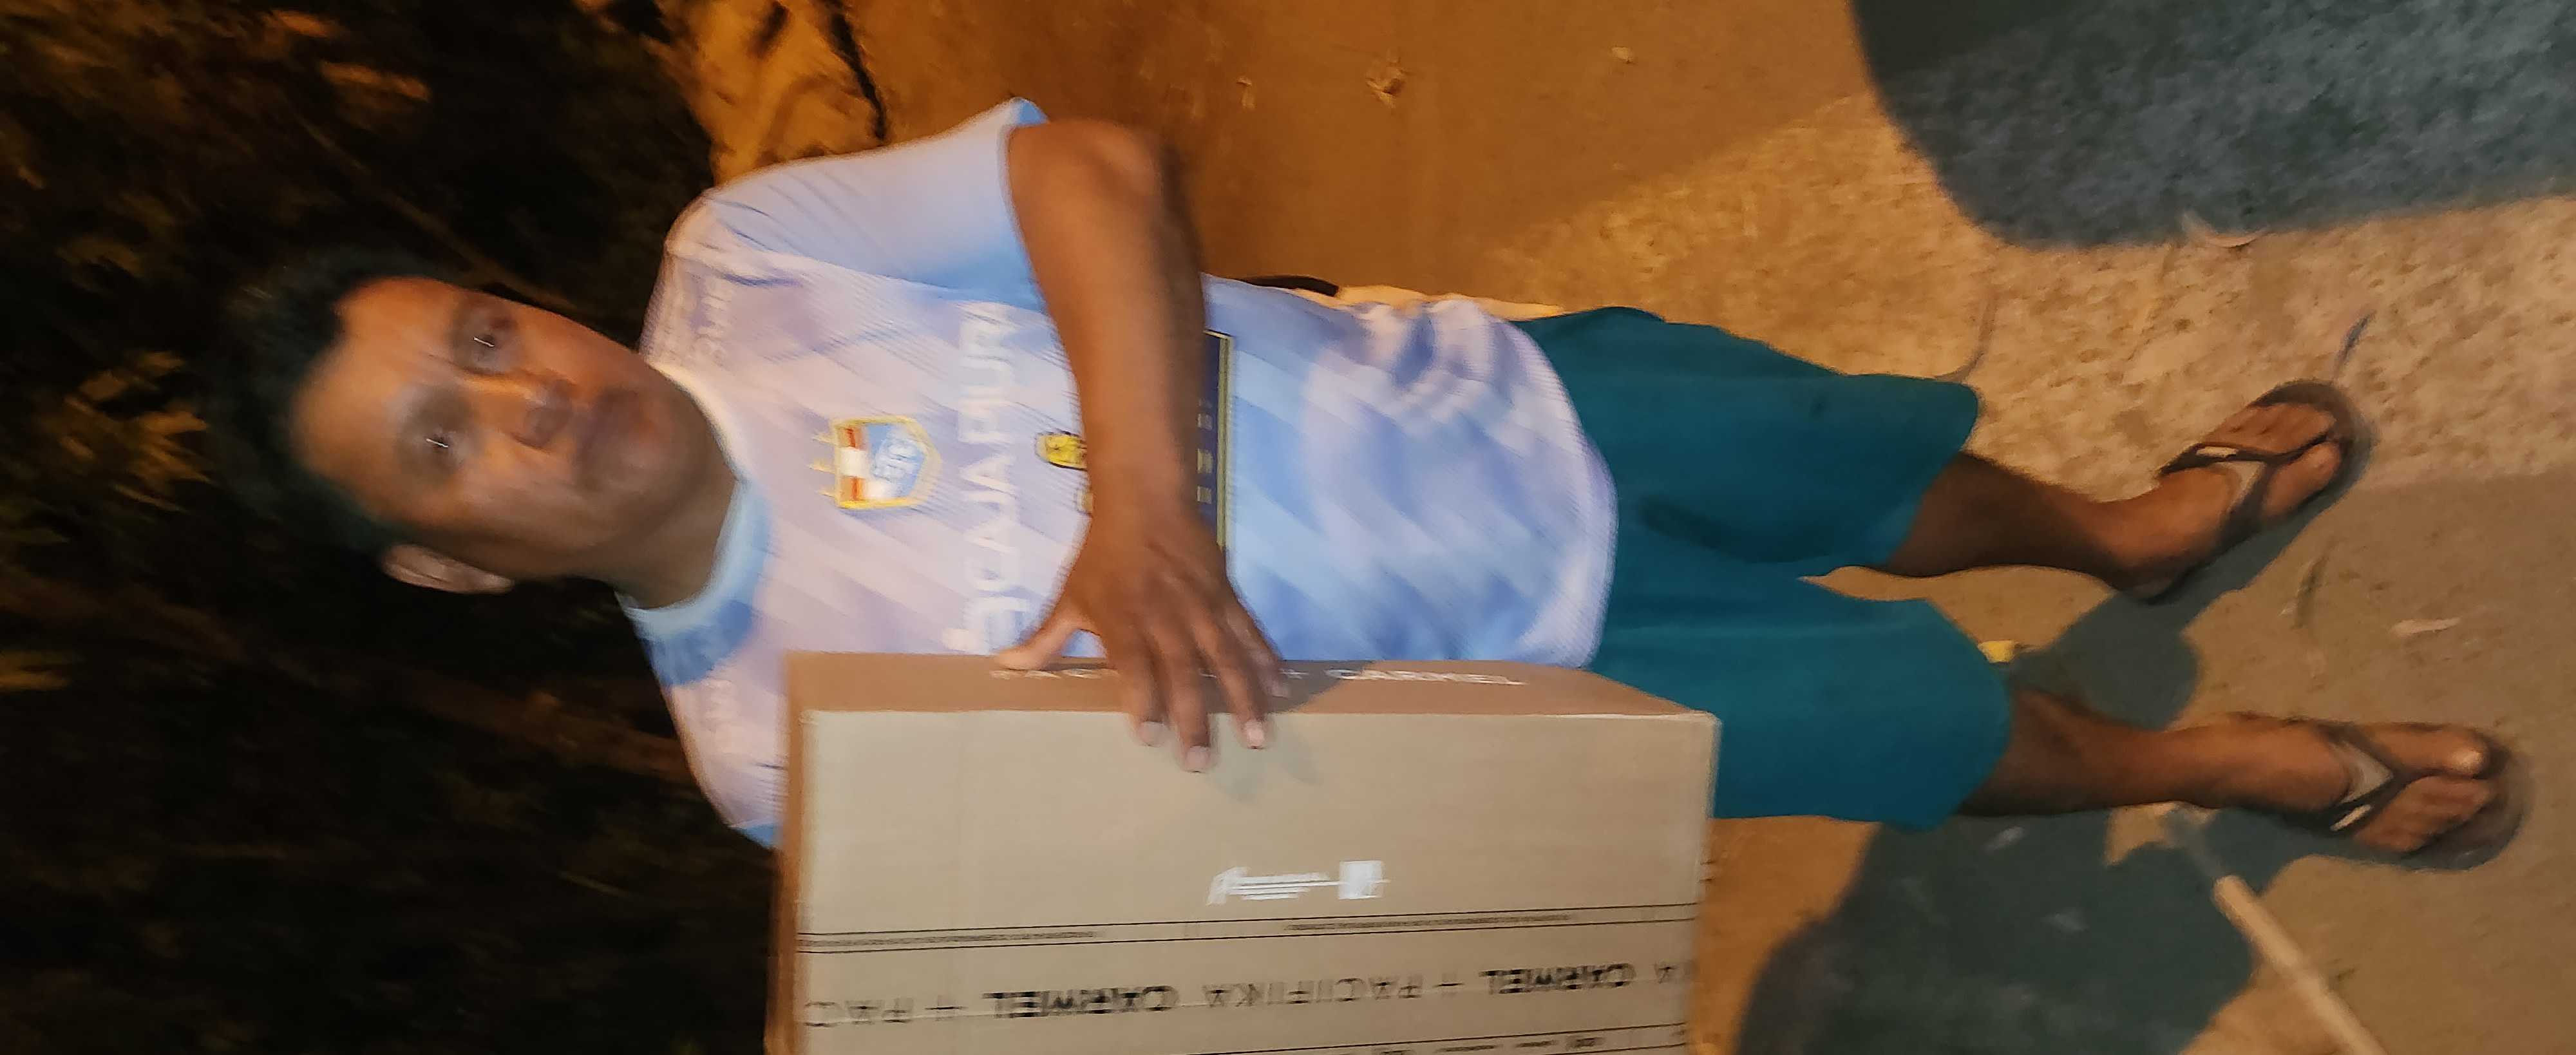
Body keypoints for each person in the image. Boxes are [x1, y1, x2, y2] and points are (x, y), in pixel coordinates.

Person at [211, 99, 2523, 862]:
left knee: (1873, 470)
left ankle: (2119, 530)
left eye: (483, 338)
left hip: (1499, 402)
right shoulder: (757, 749)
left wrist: (1146, 514)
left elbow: (1098, 174)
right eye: (448, 444)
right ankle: (2214, 764)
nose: (529, 402)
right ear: (444, 567)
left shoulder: (750, 261)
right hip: (1522, 693)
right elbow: (1142, 874)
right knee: (1930, 734)